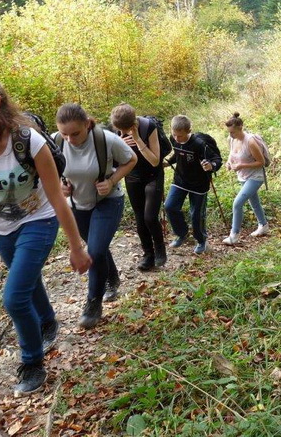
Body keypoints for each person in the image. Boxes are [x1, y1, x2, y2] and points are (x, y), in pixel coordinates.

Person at [0, 68, 92, 396]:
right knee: (26, 282)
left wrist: (76, 247)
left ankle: (32, 362)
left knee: (14, 297)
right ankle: (47, 321)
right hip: (0, 228)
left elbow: (57, 198)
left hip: (39, 220)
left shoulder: (28, 141)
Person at [55, 104, 135, 329]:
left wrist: (111, 180)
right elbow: (48, 169)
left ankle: (93, 303)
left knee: (95, 250)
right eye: (65, 134)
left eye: (75, 133)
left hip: (107, 201)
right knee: (96, 245)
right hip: (77, 205)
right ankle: (112, 278)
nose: (70, 139)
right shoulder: (55, 142)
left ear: (87, 124)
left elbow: (131, 160)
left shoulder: (106, 140)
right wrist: (60, 184)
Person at [110, 104, 166, 272]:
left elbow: (155, 160)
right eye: (120, 130)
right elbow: (113, 160)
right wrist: (119, 143)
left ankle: (160, 248)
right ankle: (148, 254)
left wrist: (137, 140)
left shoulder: (149, 126)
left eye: (125, 129)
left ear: (133, 123)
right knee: (140, 217)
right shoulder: (115, 131)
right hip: (132, 176)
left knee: (150, 216)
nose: (123, 132)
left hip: (153, 175)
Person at [163, 115, 222, 254]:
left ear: (189, 131)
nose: (177, 138)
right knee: (170, 206)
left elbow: (217, 159)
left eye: (180, 136)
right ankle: (182, 234)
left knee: (196, 214)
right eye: (174, 135)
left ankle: (201, 241)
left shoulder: (199, 144)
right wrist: (168, 162)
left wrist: (211, 165)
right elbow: (178, 153)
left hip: (199, 184)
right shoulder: (174, 139)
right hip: (180, 180)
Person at [223, 113, 269, 245]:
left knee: (237, 203)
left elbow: (261, 162)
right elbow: (231, 155)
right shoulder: (232, 139)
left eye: (233, 132)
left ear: (240, 128)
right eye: (229, 132)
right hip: (243, 176)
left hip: (255, 177)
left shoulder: (250, 142)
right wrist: (229, 163)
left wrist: (242, 165)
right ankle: (263, 225)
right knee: (254, 202)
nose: (231, 135)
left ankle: (234, 235)